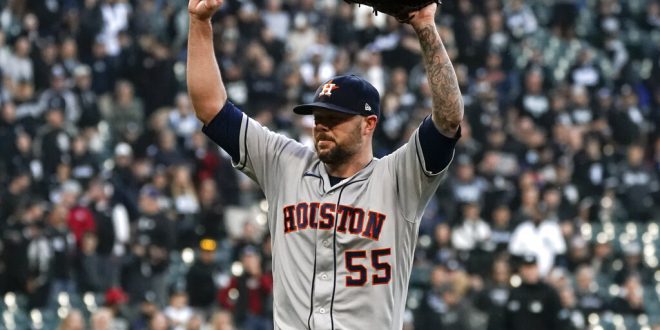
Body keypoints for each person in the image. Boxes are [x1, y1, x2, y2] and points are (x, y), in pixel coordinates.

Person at [186, 0, 463, 328]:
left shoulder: (400, 178)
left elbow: (448, 120)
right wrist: (199, 21)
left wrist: (425, 26)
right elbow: (211, 110)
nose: (322, 127)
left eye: (335, 119)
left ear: (368, 124)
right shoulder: (283, 164)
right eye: (319, 117)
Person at [504, 254, 562, 330]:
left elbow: (557, 322)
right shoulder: (514, 293)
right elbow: (506, 321)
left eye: (532, 268)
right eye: (526, 268)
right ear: (521, 269)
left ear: (537, 268)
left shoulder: (549, 292)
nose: (529, 272)